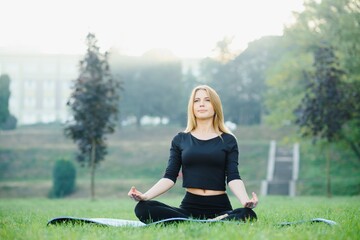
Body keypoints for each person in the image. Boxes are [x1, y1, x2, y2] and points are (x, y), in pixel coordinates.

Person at [128, 85, 258, 223]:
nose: (201, 104)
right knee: (142, 208)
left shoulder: (228, 140)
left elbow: (233, 177)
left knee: (248, 214)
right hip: (189, 206)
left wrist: (245, 201)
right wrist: (145, 196)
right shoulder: (180, 139)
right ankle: (207, 222)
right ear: (192, 107)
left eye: (207, 100)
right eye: (196, 101)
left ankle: (203, 221)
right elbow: (169, 177)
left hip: (220, 206)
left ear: (215, 106)